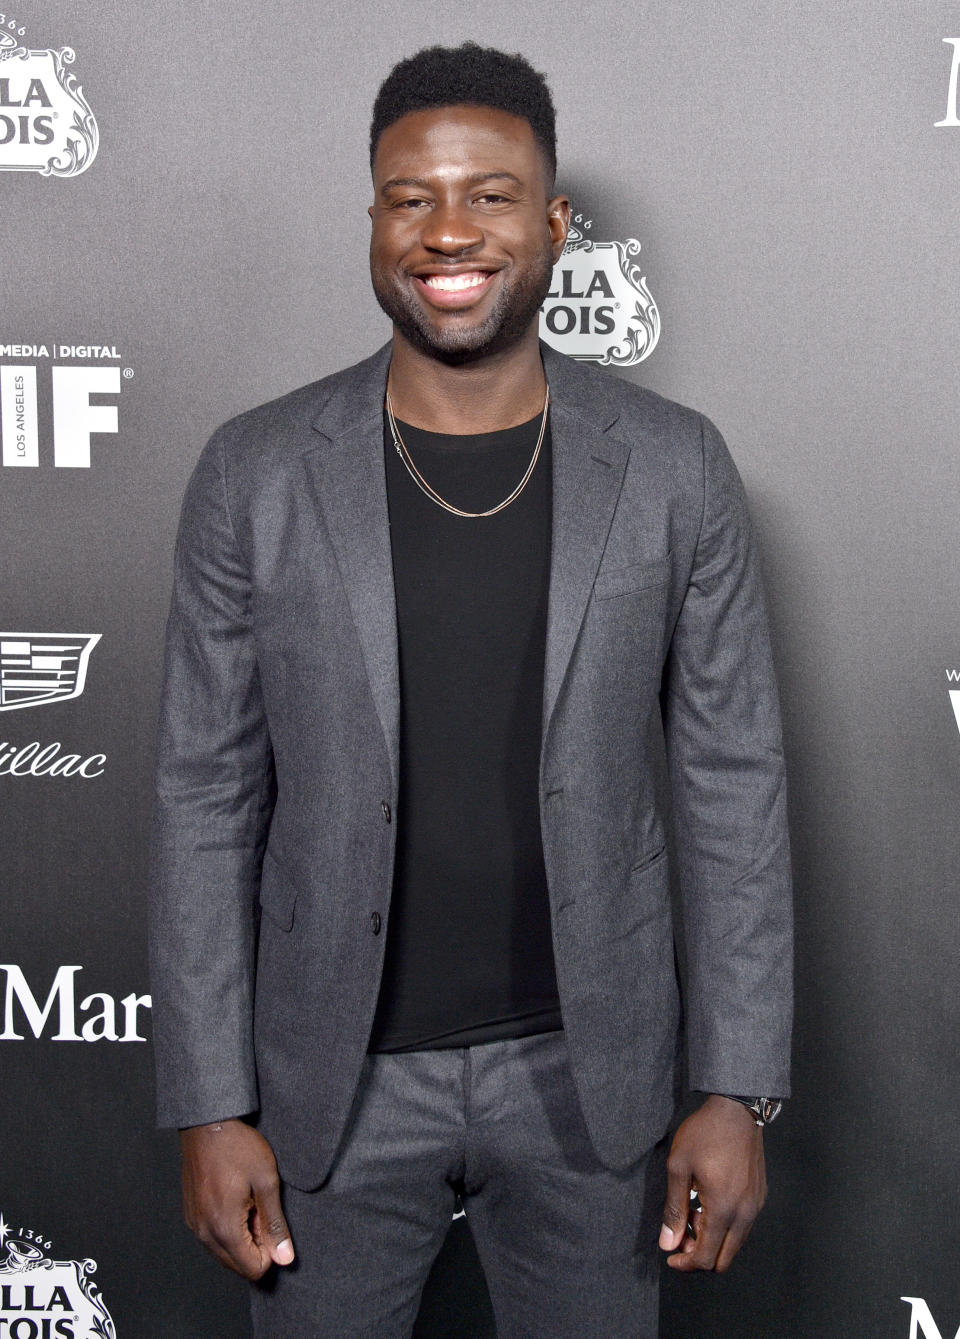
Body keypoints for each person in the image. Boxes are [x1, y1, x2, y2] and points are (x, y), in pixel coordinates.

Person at [149, 42, 792, 1339]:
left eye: (492, 195)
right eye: (410, 197)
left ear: (552, 224)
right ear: (375, 221)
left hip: (589, 1091)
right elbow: (203, 797)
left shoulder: (674, 470)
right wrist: (209, 1104)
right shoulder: (256, 472)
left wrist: (735, 1086)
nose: (449, 229)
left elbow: (734, 782)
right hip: (330, 1093)